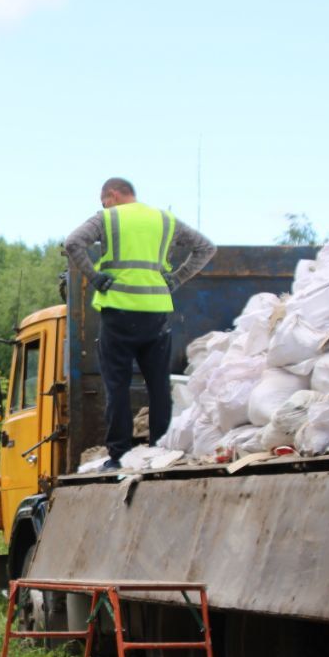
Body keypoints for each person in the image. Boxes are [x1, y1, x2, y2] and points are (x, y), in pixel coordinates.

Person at [64, 177, 216, 469]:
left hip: (119, 310)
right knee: (158, 385)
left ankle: (119, 454)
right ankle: (160, 448)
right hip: (156, 311)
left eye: (104, 200)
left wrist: (95, 277)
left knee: (117, 385)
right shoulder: (164, 220)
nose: (104, 206)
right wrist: (176, 279)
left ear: (112, 195)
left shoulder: (107, 218)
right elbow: (205, 248)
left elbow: (73, 243)